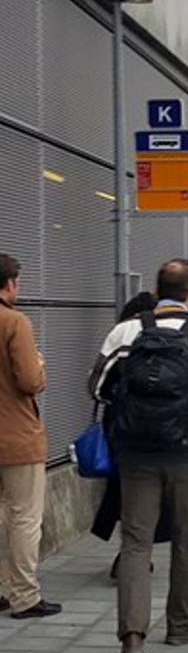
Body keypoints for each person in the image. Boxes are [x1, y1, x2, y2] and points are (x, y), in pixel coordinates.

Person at [89, 259, 188, 653]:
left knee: (136, 543)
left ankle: (132, 638)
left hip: (136, 454)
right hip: (187, 455)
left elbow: (97, 386)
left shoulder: (126, 331)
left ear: (157, 292)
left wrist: (129, 415)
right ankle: (182, 624)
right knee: (186, 541)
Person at [90, 292, 171, 579]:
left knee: (124, 491)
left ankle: (130, 553)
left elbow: (96, 387)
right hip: (160, 432)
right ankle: (134, 555)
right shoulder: (169, 341)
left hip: (121, 427)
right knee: (148, 497)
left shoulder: (121, 337)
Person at [0, 253, 61, 619]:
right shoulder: (15, 322)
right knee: (23, 516)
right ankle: (24, 595)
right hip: (16, 436)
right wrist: (39, 364)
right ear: (10, 283)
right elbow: (29, 381)